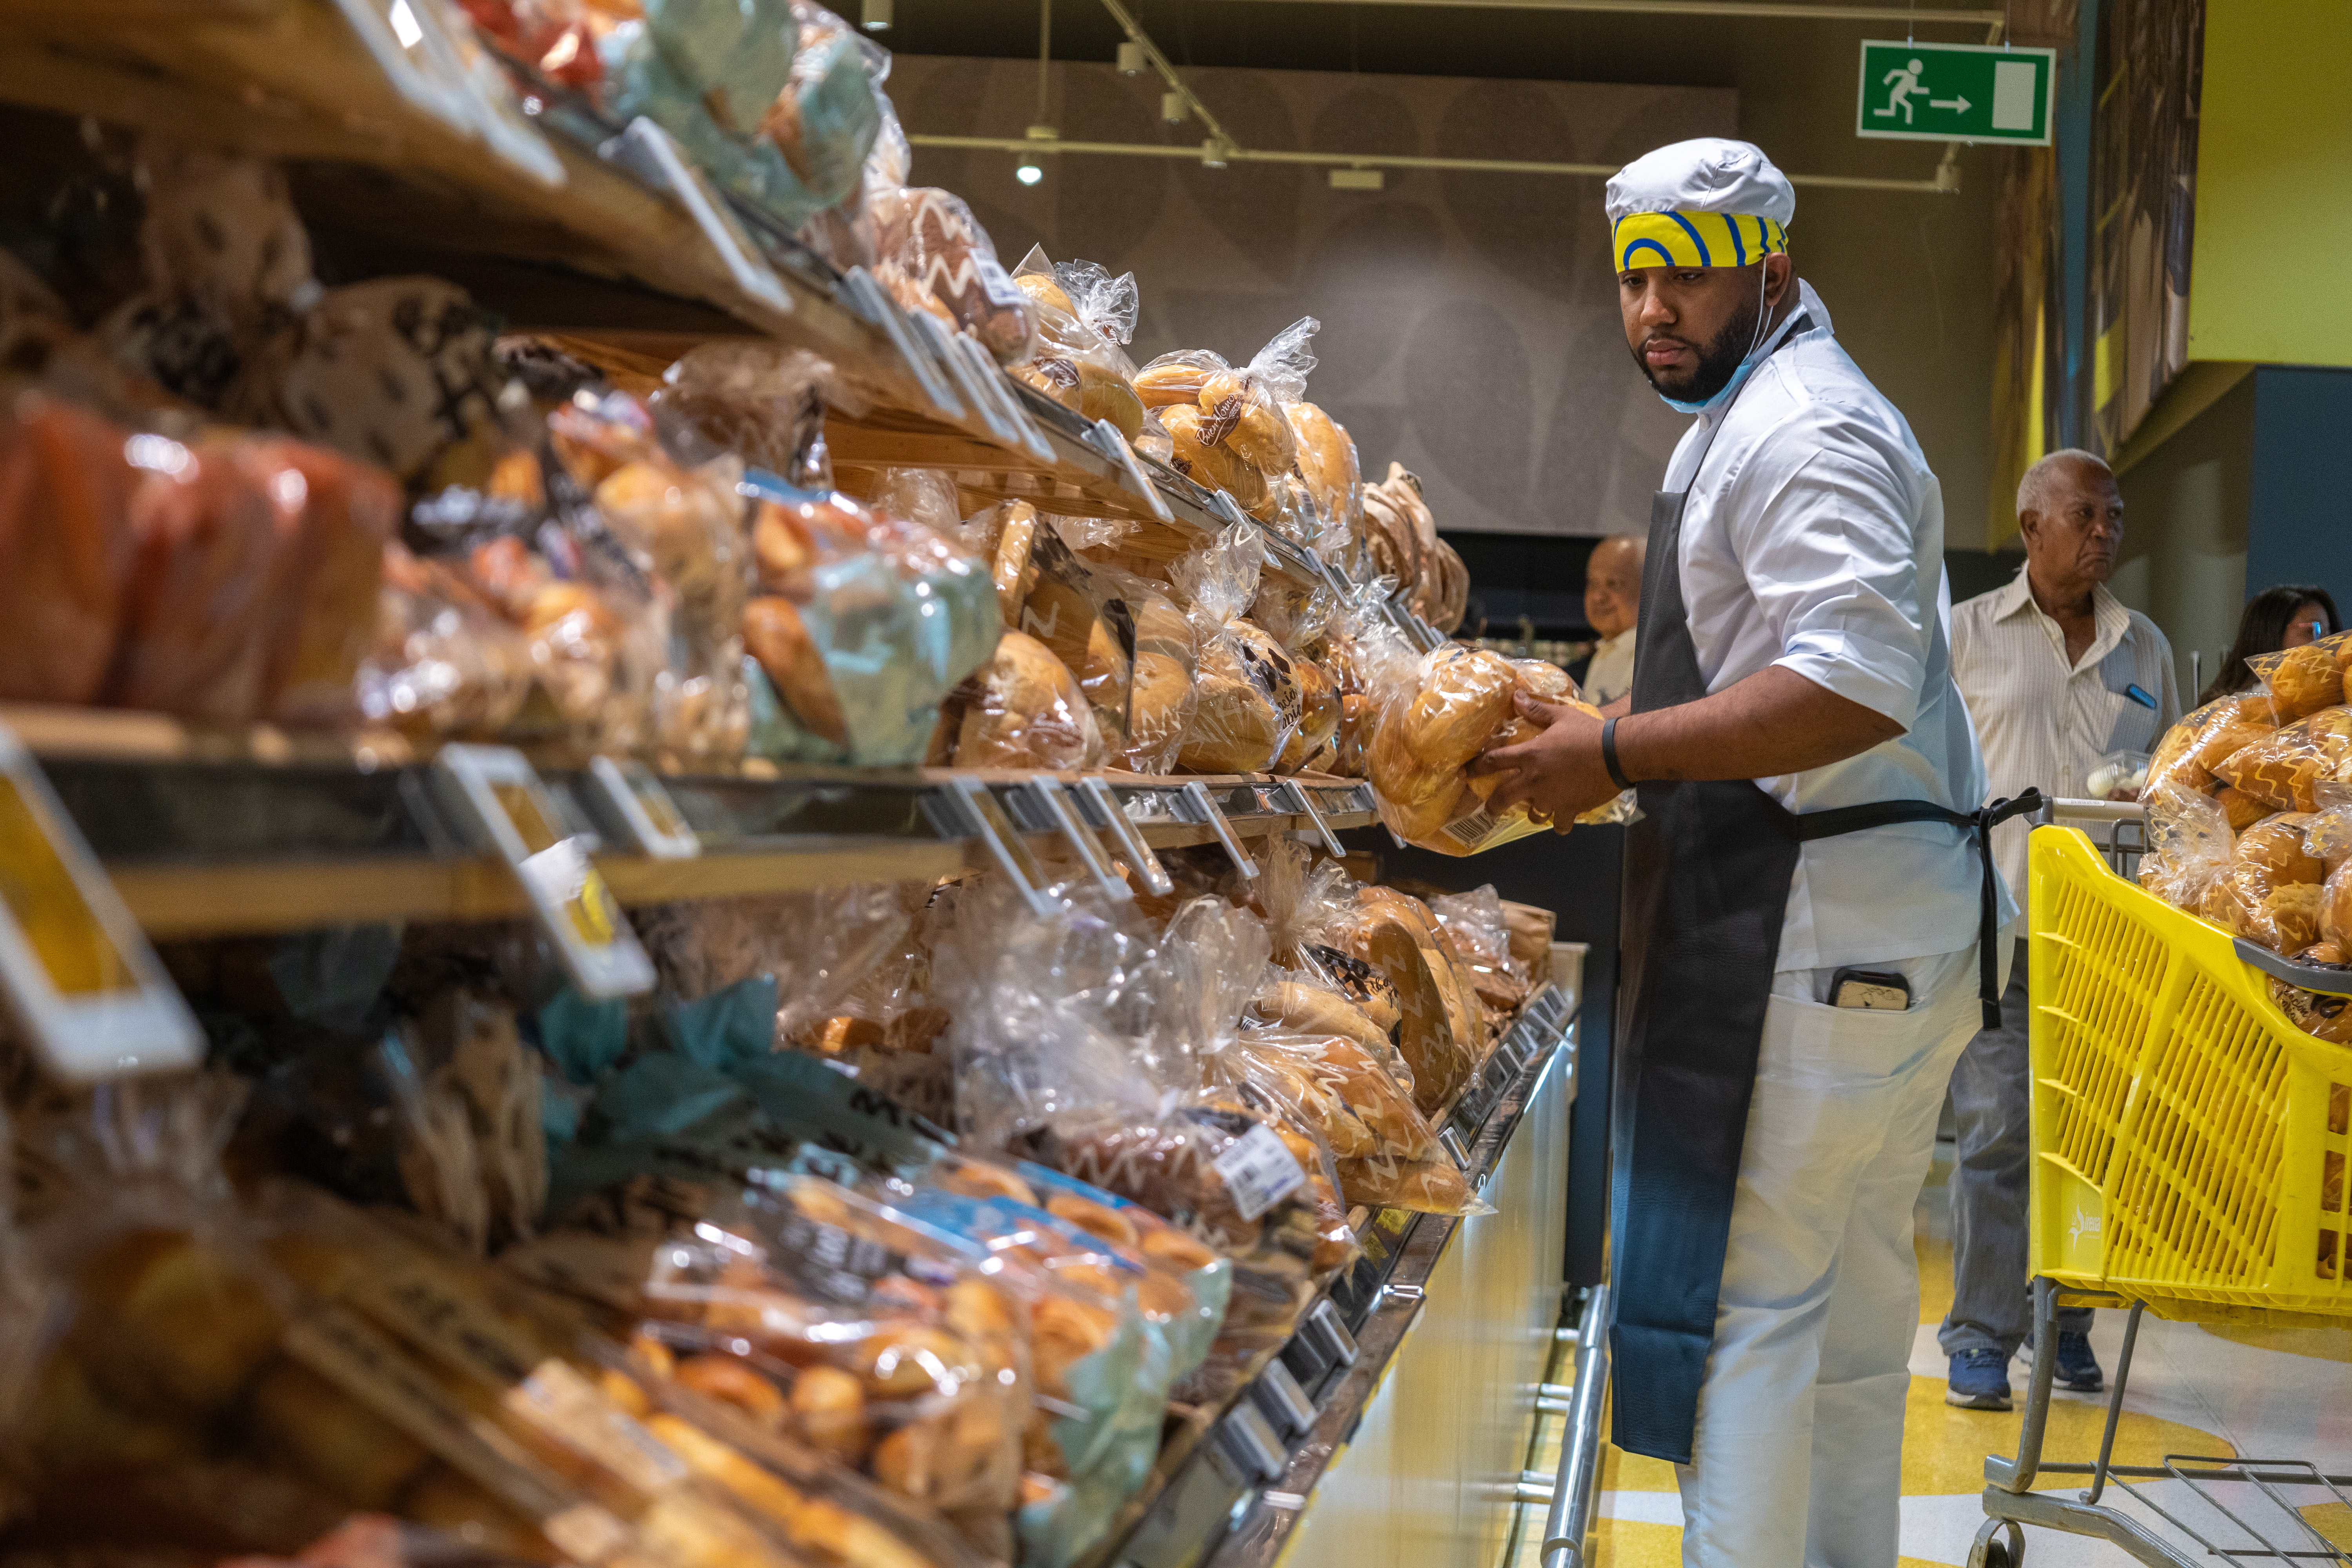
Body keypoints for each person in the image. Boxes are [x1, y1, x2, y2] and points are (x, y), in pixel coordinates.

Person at [1471, 138, 2015, 1567]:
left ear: (1767, 269)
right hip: (1885, 945)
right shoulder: (1765, 407)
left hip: (1818, 941)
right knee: (1838, 1323)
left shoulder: (1803, 429)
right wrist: (1609, 723)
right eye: (1632, 282)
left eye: (1683, 279)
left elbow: (1848, 683)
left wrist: (1610, 752)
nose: (1652, 311)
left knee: (1749, 1319)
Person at [1941, 450, 2180, 1410]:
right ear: (2031, 524)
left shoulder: (2144, 648)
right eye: (2085, 515)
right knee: (1998, 1133)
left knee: (2091, 1139)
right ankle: (1980, 1339)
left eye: (2114, 518)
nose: (2104, 533)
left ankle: (2067, 1319)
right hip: (1998, 922)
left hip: (2106, 939)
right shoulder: (1962, 636)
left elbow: (2169, 785)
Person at [2198, 584, 2341, 705]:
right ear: (2271, 634)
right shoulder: (2228, 713)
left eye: (2330, 634)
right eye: (2315, 630)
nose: (2327, 644)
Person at [1579, 534, 1644, 705]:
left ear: (1648, 589)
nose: (1599, 597)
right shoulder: (1606, 650)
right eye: (1593, 583)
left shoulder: (1650, 654)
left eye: (1613, 584)